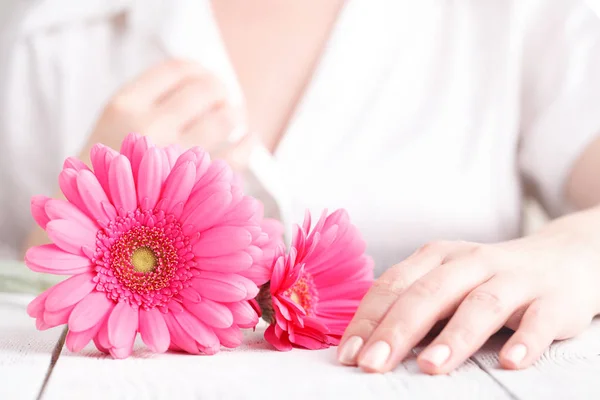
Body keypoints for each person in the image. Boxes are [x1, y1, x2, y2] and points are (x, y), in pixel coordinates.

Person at [1, 0, 600, 375]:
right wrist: (83, 204)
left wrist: (580, 246)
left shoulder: (519, 12)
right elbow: (21, 278)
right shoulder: (42, 27)